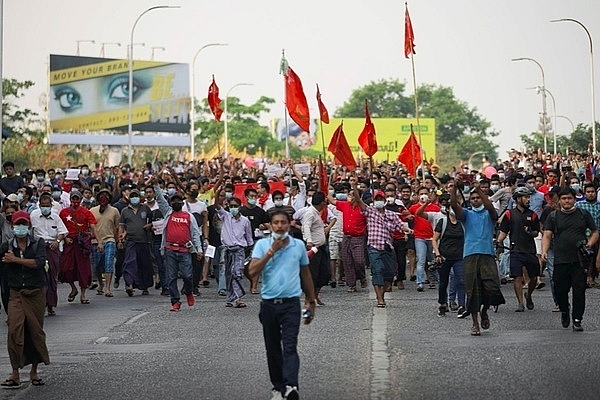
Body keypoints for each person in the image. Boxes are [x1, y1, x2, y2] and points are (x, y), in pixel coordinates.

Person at [248, 210, 317, 400]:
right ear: (270, 226)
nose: (279, 226)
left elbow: (306, 273)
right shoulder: (262, 245)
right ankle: (278, 387)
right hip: (269, 304)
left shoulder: (298, 246)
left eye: (283, 223)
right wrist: (272, 251)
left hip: (291, 304)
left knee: (289, 345)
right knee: (272, 348)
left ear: (289, 224)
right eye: (275, 223)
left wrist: (311, 302)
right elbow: (252, 272)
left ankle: (291, 386)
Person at [0, 210, 49, 388]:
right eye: (17, 225)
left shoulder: (37, 244)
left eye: (24, 224)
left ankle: (34, 371)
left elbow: (38, 263)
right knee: (14, 330)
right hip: (16, 294)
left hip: (35, 294)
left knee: (34, 331)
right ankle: (14, 373)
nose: (21, 228)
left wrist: (15, 260)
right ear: (12, 227)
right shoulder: (7, 246)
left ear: (28, 226)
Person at [450, 181, 505, 336]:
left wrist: (479, 190)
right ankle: (475, 323)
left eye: (478, 197)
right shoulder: (467, 214)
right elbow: (454, 205)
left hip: (487, 254)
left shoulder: (490, 214)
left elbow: (490, 207)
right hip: (470, 255)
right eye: (473, 198)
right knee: (472, 289)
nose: (475, 200)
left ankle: (485, 310)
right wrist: (454, 187)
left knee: (491, 287)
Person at [542, 187, 599, 332]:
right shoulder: (553, 216)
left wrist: (589, 244)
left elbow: (595, 232)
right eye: (564, 199)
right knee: (560, 290)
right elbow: (547, 235)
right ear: (559, 200)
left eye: (569, 198)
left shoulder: (583, 214)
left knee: (579, 290)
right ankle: (564, 310)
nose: (567, 201)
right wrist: (544, 251)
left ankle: (577, 319)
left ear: (574, 199)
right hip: (560, 259)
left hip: (579, 260)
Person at [354, 189, 411, 307]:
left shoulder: (391, 215)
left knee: (390, 273)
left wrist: (408, 230)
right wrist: (355, 188)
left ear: (384, 201)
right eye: (377, 199)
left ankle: (381, 294)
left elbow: (400, 225)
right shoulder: (370, 211)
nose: (379, 201)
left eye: (381, 199)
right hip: (374, 246)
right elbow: (359, 201)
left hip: (387, 246)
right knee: (377, 270)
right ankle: (380, 299)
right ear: (374, 201)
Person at [154, 183, 203, 311]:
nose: (176, 203)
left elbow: (195, 234)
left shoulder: (188, 216)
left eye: (178, 201)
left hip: (185, 250)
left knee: (187, 275)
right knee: (171, 277)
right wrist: (155, 185)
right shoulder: (168, 213)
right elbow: (160, 199)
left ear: (182, 203)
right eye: (173, 201)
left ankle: (188, 291)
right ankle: (175, 301)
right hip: (170, 249)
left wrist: (199, 250)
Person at [497, 187, 541, 312]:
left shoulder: (532, 215)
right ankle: (520, 303)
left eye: (528, 197)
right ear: (517, 199)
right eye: (525, 197)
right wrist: (498, 242)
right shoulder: (509, 214)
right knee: (517, 276)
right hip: (515, 249)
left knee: (534, 277)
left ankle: (529, 294)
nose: (528, 199)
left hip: (530, 250)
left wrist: (531, 233)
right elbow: (504, 231)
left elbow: (537, 232)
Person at [59, 190, 101, 304]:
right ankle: (73, 288)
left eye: (77, 199)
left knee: (84, 269)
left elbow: (93, 227)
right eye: (73, 199)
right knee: (66, 268)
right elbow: (60, 227)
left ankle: (83, 295)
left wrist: (99, 241)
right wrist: (64, 238)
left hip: (82, 244)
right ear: (70, 199)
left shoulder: (86, 212)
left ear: (81, 200)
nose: (75, 201)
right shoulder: (63, 212)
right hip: (69, 243)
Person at [30, 193, 68, 316]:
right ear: (39, 205)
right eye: (43, 205)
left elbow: (62, 232)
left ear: (51, 206)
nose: (45, 208)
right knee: (39, 276)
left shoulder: (56, 217)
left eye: (47, 205)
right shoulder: (33, 216)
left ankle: (51, 305)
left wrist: (57, 241)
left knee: (52, 277)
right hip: (38, 248)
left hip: (52, 248)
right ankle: (40, 304)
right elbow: (30, 232)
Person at [215, 191, 253, 308]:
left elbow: (248, 236)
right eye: (231, 206)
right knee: (228, 274)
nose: (233, 208)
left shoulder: (245, 221)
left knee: (237, 273)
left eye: (235, 206)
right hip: (227, 249)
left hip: (239, 249)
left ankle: (238, 298)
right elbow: (217, 205)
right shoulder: (226, 216)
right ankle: (230, 298)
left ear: (240, 207)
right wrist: (217, 193)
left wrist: (250, 249)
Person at [118, 189, 154, 296]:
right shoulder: (125, 211)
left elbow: (153, 221)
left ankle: (145, 287)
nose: (134, 198)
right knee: (129, 263)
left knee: (144, 264)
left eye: (136, 196)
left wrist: (150, 225)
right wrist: (120, 240)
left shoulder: (145, 208)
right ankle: (129, 284)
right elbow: (121, 226)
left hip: (143, 241)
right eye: (132, 196)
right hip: (130, 241)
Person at [300, 191, 331, 305]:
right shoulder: (310, 213)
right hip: (313, 248)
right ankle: (308, 299)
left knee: (323, 274)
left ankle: (315, 296)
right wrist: (309, 241)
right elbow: (306, 227)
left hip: (321, 247)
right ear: (322, 202)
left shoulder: (316, 212)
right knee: (312, 274)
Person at [89, 189, 120, 298]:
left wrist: (118, 241)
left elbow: (117, 227)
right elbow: (90, 227)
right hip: (95, 242)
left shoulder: (114, 211)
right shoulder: (92, 210)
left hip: (110, 240)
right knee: (97, 266)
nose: (104, 198)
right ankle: (101, 284)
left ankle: (107, 288)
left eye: (106, 196)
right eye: (102, 196)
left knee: (108, 263)